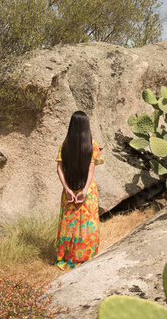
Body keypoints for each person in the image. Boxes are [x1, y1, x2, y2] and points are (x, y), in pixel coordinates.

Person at [55, 111, 104, 270]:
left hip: (69, 189)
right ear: (86, 126)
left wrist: (67, 188)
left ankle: (66, 257)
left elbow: (59, 169)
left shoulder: (65, 144)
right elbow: (91, 169)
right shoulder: (92, 144)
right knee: (87, 224)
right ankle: (86, 255)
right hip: (87, 191)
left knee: (69, 224)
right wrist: (85, 190)